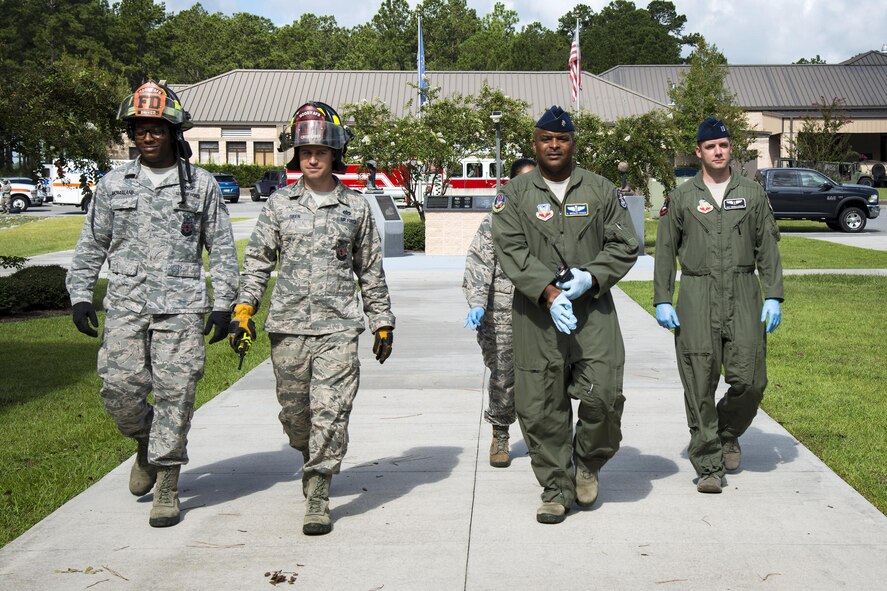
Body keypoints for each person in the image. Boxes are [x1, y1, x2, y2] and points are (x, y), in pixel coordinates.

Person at [66, 81, 239, 527]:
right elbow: (92, 244)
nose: (147, 135)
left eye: (156, 127)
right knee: (118, 390)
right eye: (139, 128)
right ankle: (144, 443)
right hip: (126, 304)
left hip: (181, 308)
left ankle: (167, 483)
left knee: (176, 394)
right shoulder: (112, 184)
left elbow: (220, 249)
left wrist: (224, 304)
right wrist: (81, 293)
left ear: (173, 131)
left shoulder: (200, 186)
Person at [230, 101, 395, 536]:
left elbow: (370, 271)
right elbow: (259, 263)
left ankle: (319, 487)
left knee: (331, 410)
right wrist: (244, 309)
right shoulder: (279, 205)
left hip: (339, 327)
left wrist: (381, 320)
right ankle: (307, 452)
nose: (313, 158)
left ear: (334, 154)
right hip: (288, 327)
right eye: (305, 152)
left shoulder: (356, 208)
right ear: (296, 156)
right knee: (296, 415)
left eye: (321, 150)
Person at [492, 106, 639, 524]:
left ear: (573, 143)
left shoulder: (600, 189)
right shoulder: (514, 195)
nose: (554, 146)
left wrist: (591, 277)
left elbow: (625, 244)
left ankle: (588, 462)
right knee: (540, 405)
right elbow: (511, 249)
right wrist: (550, 292)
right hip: (537, 315)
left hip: (593, 311)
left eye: (562, 139)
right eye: (545, 139)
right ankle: (556, 487)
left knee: (605, 394)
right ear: (534, 144)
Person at [653, 117, 784, 494]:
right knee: (699, 383)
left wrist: (773, 293)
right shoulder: (682, 196)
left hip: (744, 292)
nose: (718, 151)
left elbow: (767, 247)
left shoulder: (752, 193)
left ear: (731, 149)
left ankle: (727, 432)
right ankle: (709, 464)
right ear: (699, 152)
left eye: (724, 145)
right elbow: (665, 250)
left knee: (751, 380)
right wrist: (663, 298)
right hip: (697, 292)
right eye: (710, 146)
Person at [462, 158, 536, 468]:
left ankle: (540, 435)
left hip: (541, 310)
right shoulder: (497, 219)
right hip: (501, 311)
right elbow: (480, 262)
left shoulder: (551, 218)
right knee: (504, 377)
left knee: (540, 377)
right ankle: (501, 433)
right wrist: (477, 303)